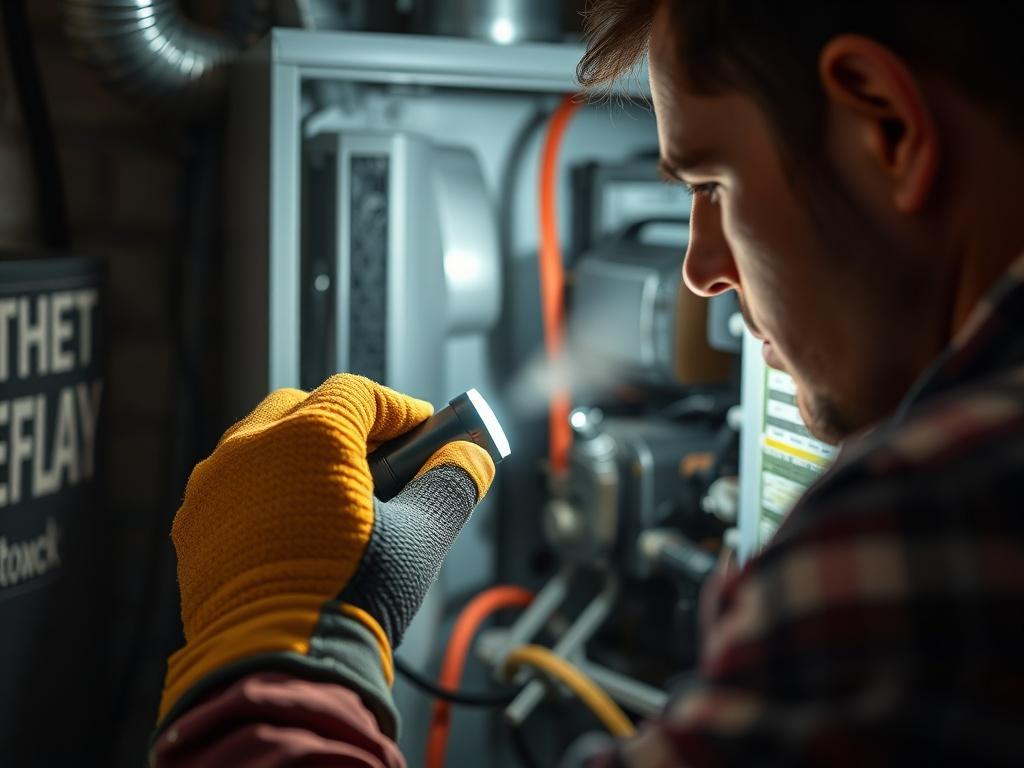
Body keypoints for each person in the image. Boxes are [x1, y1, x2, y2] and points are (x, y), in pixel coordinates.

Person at [152, 0, 1024, 765]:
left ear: (890, 131)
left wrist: (275, 640)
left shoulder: (931, 521)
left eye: (715, 183)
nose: (702, 271)